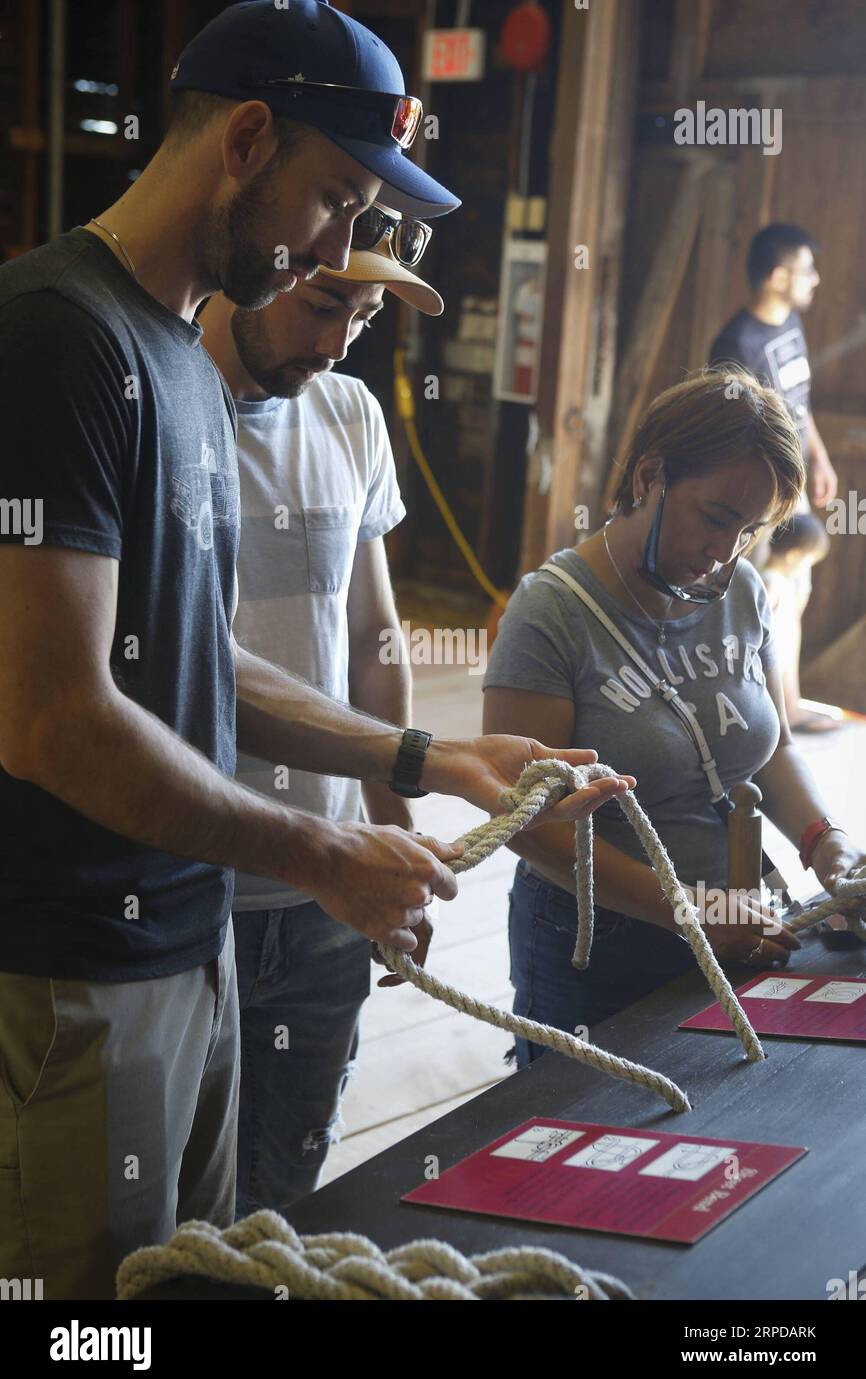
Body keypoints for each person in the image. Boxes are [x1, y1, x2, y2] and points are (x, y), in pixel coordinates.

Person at [0, 1, 630, 1299]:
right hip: (70, 965)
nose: (334, 250)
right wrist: (322, 850)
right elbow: (52, 713)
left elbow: (189, 659)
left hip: (189, 944)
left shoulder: (173, 350)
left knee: (200, 1273)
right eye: (335, 198)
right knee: (86, 1309)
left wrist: (427, 752)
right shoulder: (53, 337)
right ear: (243, 139)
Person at [482, 369, 866, 1067]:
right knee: (594, 1142)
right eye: (716, 517)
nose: (726, 552)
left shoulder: (739, 589)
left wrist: (825, 843)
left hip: (741, 922)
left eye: (750, 531)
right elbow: (528, 824)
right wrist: (688, 911)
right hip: (599, 945)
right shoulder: (552, 614)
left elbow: (767, 747)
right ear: (650, 475)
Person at [199, 215, 444, 1212]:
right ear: (265, 258)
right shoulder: (152, 405)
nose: (340, 340)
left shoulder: (348, 415)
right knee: (173, 1208)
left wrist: (394, 833)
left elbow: (372, 635)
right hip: (191, 879)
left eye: (366, 314)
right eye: (324, 305)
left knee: (288, 1183)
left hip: (330, 889)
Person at [709, 223, 838, 730]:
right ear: (779, 276)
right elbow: (738, 436)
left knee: (796, 591)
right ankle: (757, 715)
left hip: (798, 487)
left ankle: (790, 704)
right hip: (764, 498)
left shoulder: (788, 325)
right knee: (760, 596)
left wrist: (820, 458)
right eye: (807, 270)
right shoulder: (736, 344)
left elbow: (799, 405)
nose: (816, 279)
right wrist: (787, 491)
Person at [762, 514, 833, 732]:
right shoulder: (770, 581)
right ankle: (785, 715)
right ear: (794, 556)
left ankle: (790, 709)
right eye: (808, 562)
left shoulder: (780, 582)